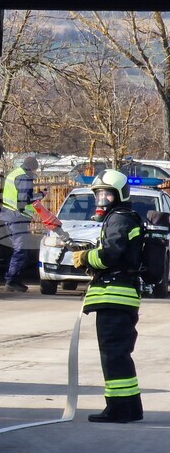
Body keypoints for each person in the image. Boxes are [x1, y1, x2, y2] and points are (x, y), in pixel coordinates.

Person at [71, 170, 144, 423]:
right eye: (99, 194)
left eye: (107, 194)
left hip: (115, 297)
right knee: (119, 354)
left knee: (113, 355)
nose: (101, 200)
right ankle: (131, 408)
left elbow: (111, 255)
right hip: (118, 296)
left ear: (120, 195)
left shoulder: (120, 219)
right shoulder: (120, 218)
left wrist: (86, 258)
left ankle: (119, 410)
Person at [0, 156, 40, 292]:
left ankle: (15, 279)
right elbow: (25, 200)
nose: (35, 173)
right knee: (21, 250)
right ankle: (11, 281)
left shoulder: (13, 173)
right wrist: (40, 195)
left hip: (9, 216)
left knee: (20, 250)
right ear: (31, 167)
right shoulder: (24, 177)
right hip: (17, 218)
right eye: (35, 170)